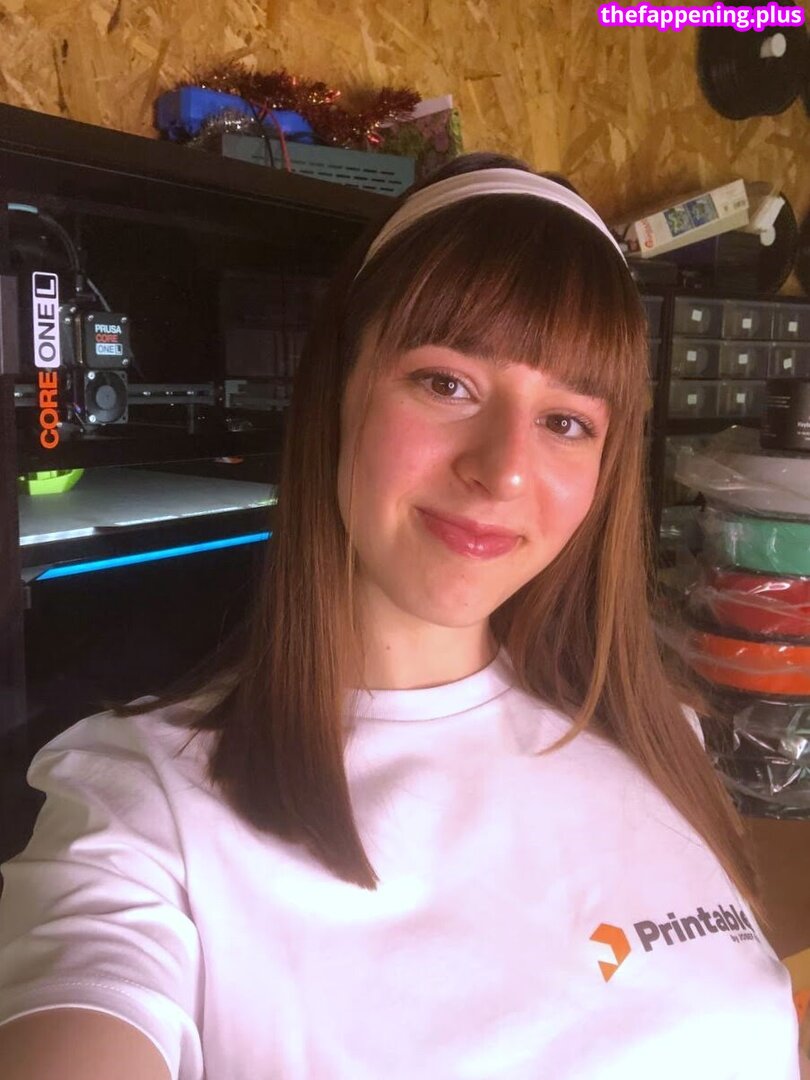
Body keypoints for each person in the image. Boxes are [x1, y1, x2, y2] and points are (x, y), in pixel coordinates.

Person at [0, 152, 802, 1080]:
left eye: (567, 422)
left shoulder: (662, 735)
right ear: (338, 391)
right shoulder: (145, 815)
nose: (503, 470)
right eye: (447, 383)